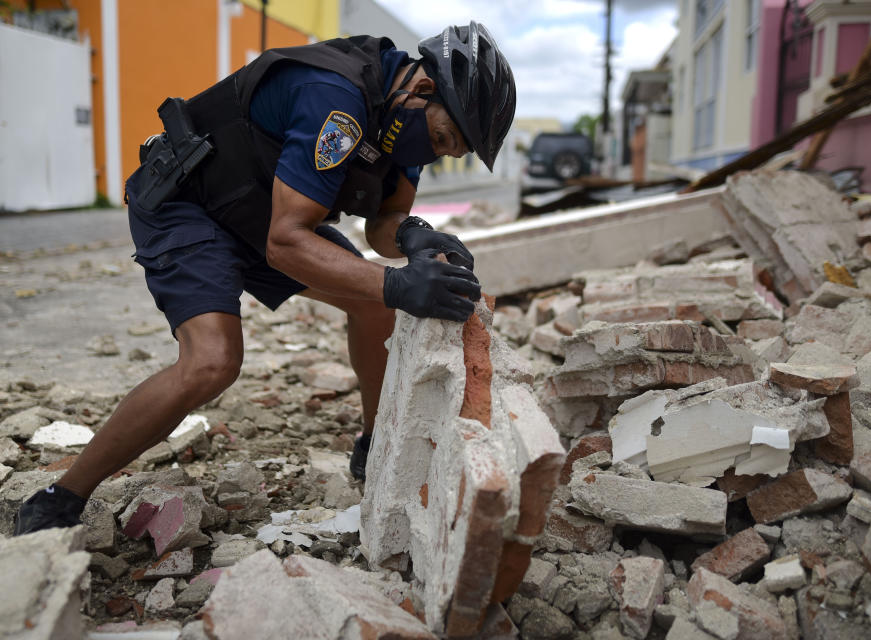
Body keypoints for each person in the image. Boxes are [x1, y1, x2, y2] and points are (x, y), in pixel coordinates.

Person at [14, 22, 516, 535]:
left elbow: (382, 223)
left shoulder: (403, 123)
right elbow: (287, 242)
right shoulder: (335, 98)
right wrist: (398, 284)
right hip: (190, 203)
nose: (435, 154)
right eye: (441, 139)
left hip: (262, 216)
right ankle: (62, 495)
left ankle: (374, 443)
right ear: (423, 90)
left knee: (375, 305)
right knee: (212, 362)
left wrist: (415, 236)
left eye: (448, 151)